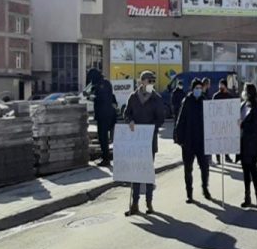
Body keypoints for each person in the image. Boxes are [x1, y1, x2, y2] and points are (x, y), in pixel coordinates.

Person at [123, 70, 166, 216]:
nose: (152, 84)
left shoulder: (156, 98)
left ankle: (149, 202)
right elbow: (126, 114)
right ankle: (134, 203)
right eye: (150, 81)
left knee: (147, 172)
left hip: (149, 140)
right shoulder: (133, 97)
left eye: (153, 81)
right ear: (143, 82)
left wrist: (152, 127)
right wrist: (130, 122)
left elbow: (161, 117)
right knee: (136, 172)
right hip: (136, 140)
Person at [174, 79, 212, 203]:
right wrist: (179, 138)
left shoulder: (205, 101)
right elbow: (180, 120)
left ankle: (205, 188)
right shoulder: (187, 101)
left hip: (202, 141)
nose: (198, 90)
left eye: (200, 88)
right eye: (196, 88)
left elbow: (211, 120)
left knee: (205, 167)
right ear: (192, 89)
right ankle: (189, 193)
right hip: (188, 141)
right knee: (188, 168)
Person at [239, 83, 257, 208]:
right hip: (243, 144)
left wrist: (242, 124)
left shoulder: (255, 108)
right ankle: (247, 197)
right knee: (245, 171)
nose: (243, 92)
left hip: (252, 144)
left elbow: (253, 126)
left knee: (253, 170)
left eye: (245, 90)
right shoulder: (243, 105)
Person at [87, 69, 117, 167]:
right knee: (103, 137)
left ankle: (106, 159)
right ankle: (105, 156)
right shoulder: (104, 83)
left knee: (103, 137)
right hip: (106, 114)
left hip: (104, 115)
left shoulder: (102, 84)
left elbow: (102, 98)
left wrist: (91, 97)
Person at [212, 78, 237, 165]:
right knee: (218, 140)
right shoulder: (216, 96)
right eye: (219, 85)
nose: (220, 87)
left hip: (227, 122)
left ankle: (227, 156)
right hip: (218, 122)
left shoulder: (230, 96)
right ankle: (218, 158)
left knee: (226, 140)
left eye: (222, 85)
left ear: (225, 86)